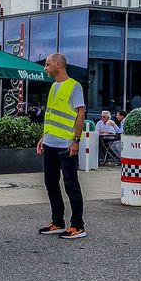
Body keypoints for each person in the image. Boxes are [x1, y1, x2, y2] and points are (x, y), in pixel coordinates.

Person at [36, 53, 87, 240]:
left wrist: (76, 140)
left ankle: (78, 226)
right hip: (50, 143)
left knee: (71, 184)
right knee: (51, 184)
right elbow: (50, 115)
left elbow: (80, 115)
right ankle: (57, 222)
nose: (45, 68)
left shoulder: (74, 86)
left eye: (48, 64)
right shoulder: (53, 87)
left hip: (66, 145)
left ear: (59, 64)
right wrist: (43, 137)